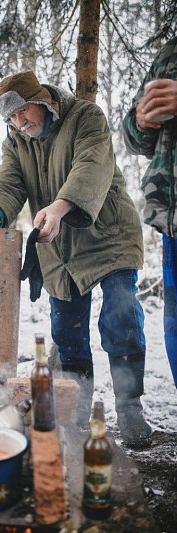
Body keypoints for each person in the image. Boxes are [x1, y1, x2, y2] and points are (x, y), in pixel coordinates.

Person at [0, 70, 152, 448]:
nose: (19, 124)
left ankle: (130, 405)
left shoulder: (86, 117)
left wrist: (60, 206)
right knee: (66, 331)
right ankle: (76, 407)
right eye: (11, 119)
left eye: (23, 113)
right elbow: (9, 181)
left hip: (107, 234)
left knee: (120, 316)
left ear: (43, 100)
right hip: (58, 245)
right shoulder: (17, 141)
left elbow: (91, 166)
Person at [123, 37, 177, 388]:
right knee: (175, 326)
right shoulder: (171, 51)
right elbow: (133, 140)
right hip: (171, 223)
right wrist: (141, 122)